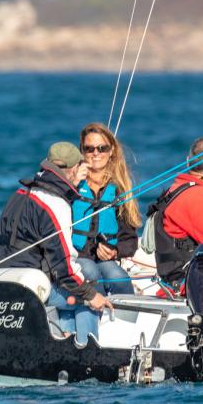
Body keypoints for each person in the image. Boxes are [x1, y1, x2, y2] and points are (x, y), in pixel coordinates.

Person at [0, 141, 113, 346]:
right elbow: (64, 268)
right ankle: (85, 355)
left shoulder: (20, 194)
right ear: (74, 169)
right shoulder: (55, 204)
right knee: (87, 300)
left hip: (1, 277)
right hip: (28, 288)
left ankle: (66, 337)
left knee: (78, 287)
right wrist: (92, 296)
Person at [150, 135, 203, 289]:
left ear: (188, 161)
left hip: (181, 279)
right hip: (193, 286)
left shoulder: (176, 189)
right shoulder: (196, 199)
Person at [72, 123, 141, 295]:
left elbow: (130, 241)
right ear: (82, 151)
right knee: (91, 273)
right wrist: (71, 183)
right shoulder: (71, 185)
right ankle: (97, 312)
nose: (96, 153)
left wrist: (114, 251)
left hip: (104, 259)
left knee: (119, 278)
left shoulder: (118, 190)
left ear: (111, 152)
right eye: (89, 149)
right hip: (76, 257)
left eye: (102, 148)